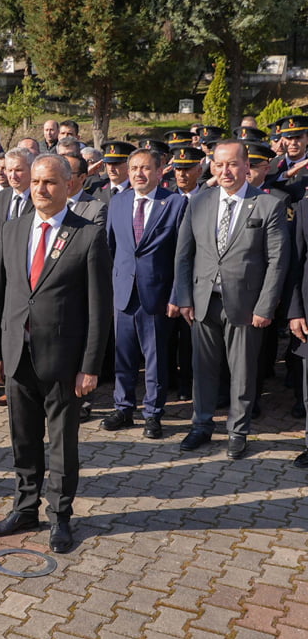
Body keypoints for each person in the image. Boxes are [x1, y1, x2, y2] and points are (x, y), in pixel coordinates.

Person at [0, 154, 111, 553]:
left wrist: (90, 366)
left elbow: (99, 308)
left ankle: (60, 517)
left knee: (60, 444)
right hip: (17, 354)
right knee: (23, 439)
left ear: (69, 185)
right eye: (36, 181)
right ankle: (25, 508)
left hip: (63, 361)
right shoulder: (12, 229)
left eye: (51, 182)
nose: (41, 189)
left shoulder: (87, 235)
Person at [172, 140, 287, 460]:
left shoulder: (268, 205)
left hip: (246, 306)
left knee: (243, 371)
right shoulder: (199, 202)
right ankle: (201, 425)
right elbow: (184, 255)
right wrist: (184, 297)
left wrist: (266, 306)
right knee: (202, 367)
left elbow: (278, 261)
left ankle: (238, 431)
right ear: (211, 166)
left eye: (233, 164)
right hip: (204, 300)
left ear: (246, 166)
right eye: (219, 164)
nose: (225, 170)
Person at [103, 149, 188, 438]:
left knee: (155, 359)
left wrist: (177, 295)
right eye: (134, 168)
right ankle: (123, 408)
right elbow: (111, 247)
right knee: (123, 356)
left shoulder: (174, 203)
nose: (139, 173)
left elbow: (182, 255)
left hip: (158, 295)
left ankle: (153, 413)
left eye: (146, 168)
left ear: (160, 170)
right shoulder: (118, 201)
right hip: (124, 293)